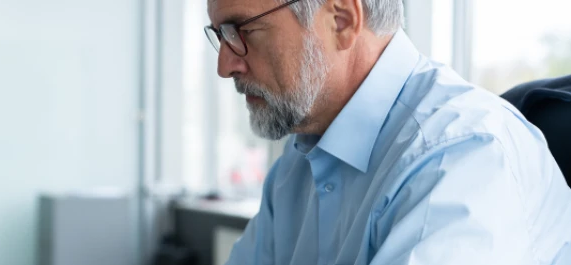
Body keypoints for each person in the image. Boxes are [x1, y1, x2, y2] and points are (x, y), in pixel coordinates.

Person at [203, 0, 571, 264]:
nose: (225, 64)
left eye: (242, 30)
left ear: (342, 21)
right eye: (220, 34)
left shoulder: (464, 156)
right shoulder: (296, 164)